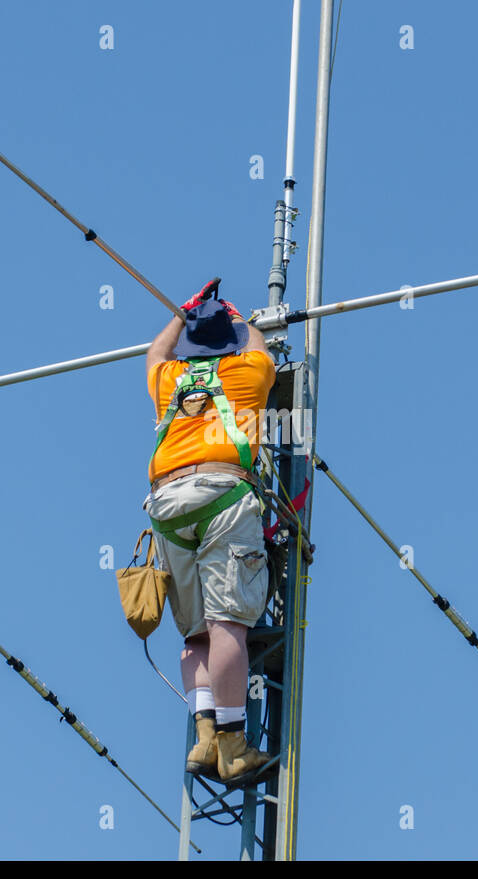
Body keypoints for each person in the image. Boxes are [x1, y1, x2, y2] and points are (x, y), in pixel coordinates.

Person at [143, 279, 275, 784]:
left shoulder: (168, 380)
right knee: (228, 625)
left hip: (168, 506)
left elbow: (156, 350)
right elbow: (256, 343)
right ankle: (234, 745)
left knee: (195, 632)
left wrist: (185, 312)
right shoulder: (247, 372)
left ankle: (202, 740)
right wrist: (240, 318)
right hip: (223, 495)